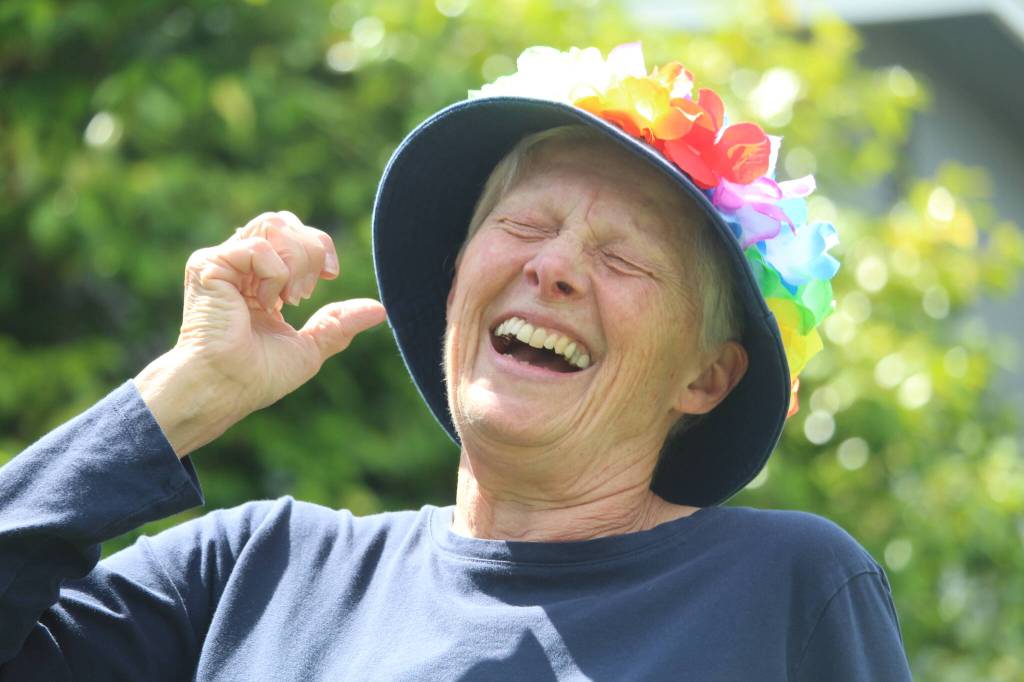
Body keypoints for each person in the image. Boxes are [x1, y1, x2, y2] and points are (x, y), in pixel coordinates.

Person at [0, 43, 911, 680]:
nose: (551, 266)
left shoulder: (784, 590)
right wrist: (180, 397)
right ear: (454, 287)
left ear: (705, 378)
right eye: (523, 225)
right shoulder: (249, 574)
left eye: (623, 258)